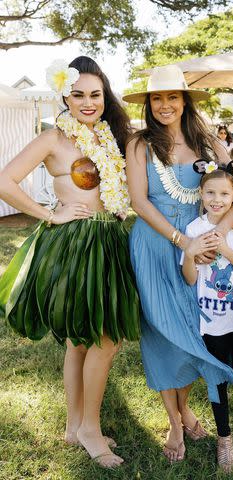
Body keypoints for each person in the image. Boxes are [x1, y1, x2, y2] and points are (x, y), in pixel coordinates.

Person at [0, 56, 140, 468]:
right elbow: (5, 180)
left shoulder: (109, 139)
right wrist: (50, 213)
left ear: (104, 96)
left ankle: (76, 424)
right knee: (102, 338)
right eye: (78, 94)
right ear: (65, 95)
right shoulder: (54, 139)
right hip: (77, 244)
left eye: (95, 94)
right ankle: (91, 431)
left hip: (109, 239)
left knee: (82, 339)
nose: (88, 102)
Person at [124, 65, 233, 463]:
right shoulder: (139, 144)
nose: (164, 105)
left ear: (184, 101)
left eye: (172, 97)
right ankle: (175, 421)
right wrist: (183, 241)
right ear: (148, 104)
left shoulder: (207, 140)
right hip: (157, 242)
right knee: (161, 331)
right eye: (157, 98)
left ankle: (187, 407)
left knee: (193, 329)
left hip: (202, 241)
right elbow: (139, 202)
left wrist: (219, 233)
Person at [181, 161, 233, 473]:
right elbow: (190, 278)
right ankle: (224, 439)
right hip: (210, 322)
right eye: (210, 192)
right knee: (216, 379)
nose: (217, 199)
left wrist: (225, 250)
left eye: (224, 194)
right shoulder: (193, 230)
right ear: (201, 195)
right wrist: (190, 253)